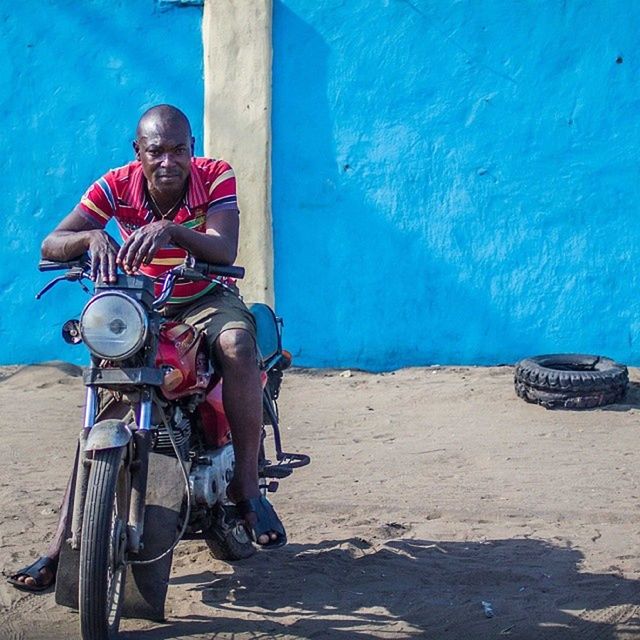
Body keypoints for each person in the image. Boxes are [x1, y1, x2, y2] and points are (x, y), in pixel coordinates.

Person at [7, 104, 285, 592]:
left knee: (239, 345)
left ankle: (246, 488)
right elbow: (51, 243)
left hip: (205, 296)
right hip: (139, 306)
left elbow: (224, 249)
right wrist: (90, 237)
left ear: (192, 148)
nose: (168, 161)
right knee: (105, 400)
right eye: (156, 150)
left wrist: (173, 232)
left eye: (179, 149)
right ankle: (59, 545)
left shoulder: (216, 176)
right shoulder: (115, 185)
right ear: (138, 152)